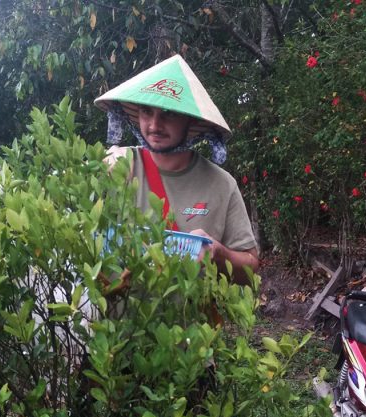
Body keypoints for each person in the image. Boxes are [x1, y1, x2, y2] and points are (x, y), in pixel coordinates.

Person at [94, 55, 259, 285]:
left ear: (190, 120)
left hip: (192, 319)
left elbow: (251, 266)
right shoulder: (118, 165)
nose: (154, 125)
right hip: (118, 319)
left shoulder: (222, 184)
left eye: (168, 114)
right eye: (146, 111)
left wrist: (218, 254)